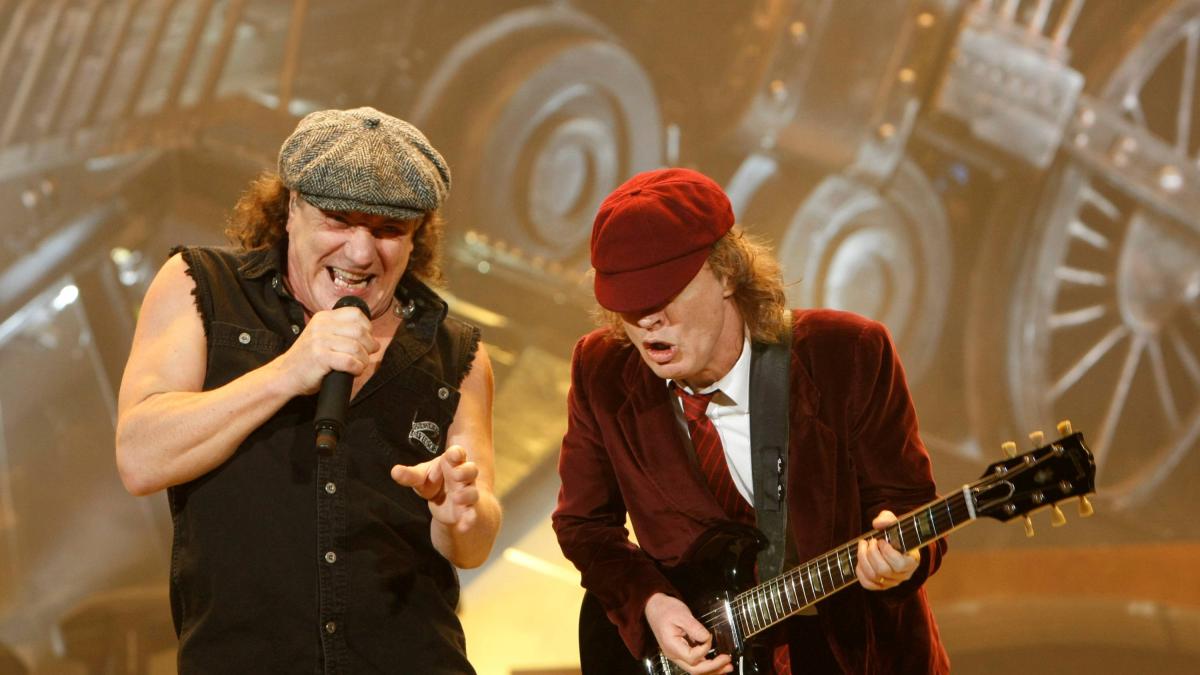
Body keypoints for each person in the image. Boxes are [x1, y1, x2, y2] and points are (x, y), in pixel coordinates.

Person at [115, 107, 501, 674]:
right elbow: (140, 457)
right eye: (338, 220)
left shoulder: (455, 352)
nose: (361, 253)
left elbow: (474, 542)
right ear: (291, 208)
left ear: (416, 237)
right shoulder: (202, 287)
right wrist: (287, 372)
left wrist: (458, 515)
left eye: (388, 230)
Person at [552, 168, 948, 674]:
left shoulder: (847, 354)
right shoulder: (602, 371)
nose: (647, 320)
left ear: (727, 273)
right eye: (627, 303)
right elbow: (583, 525)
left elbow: (912, 508)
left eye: (663, 293)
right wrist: (650, 602)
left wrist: (905, 560)